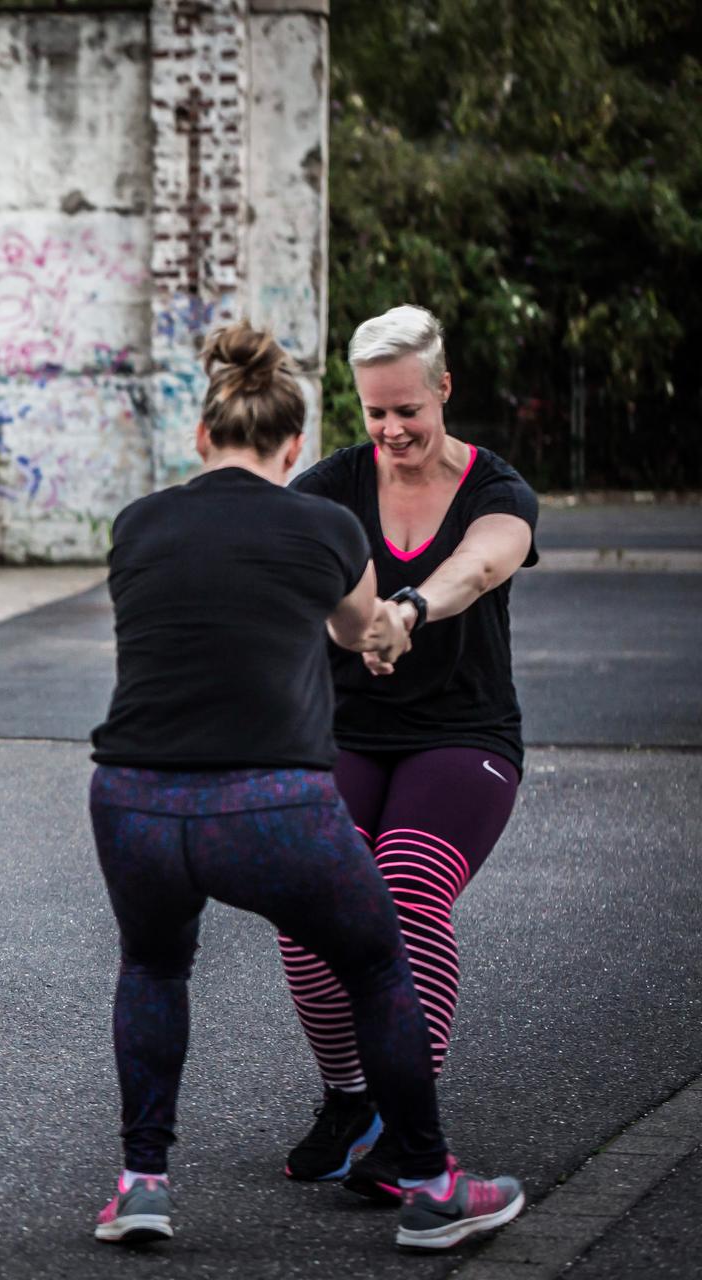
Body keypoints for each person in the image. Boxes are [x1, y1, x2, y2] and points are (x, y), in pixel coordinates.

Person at [85, 321, 523, 1251]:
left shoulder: (137, 523)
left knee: (156, 966)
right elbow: (354, 626)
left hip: (132, 796)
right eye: (377, 413)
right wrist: (381, 620)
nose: (391, 427)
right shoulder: (326, 517)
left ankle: (141, 1186)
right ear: (296, 447)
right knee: (374, 956)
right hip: (268, 800)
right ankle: (432, 1181)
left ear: (201, 436)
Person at [276, 305, 539, 1195]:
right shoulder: (326, 488)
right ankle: (350, 1096)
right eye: (375, 412)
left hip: (462, 737)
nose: (391, 431)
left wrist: (410, 610)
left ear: (444, 390)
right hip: (345, 734)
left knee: (408, 890)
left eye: (408, 412)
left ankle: (404, 1121)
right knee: (309, 907)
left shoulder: (494, 486)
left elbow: (485, 562)